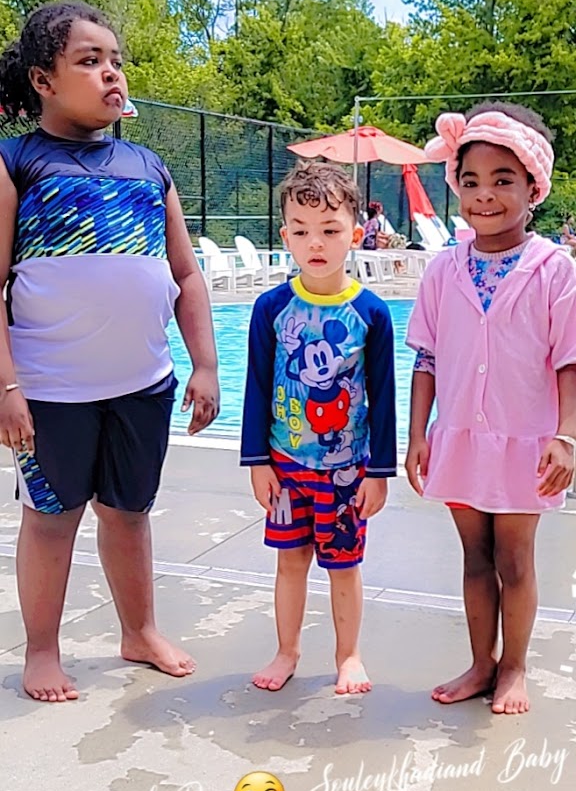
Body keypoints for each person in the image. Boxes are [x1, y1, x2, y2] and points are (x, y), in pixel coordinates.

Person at [0, 0, 220, 702]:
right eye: (89, 61)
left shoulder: (148, 166)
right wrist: (6, 388)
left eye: (116, 61)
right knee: (52, 519)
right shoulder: (17, 161)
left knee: (129, 512)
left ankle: (140, 630)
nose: (111, 73)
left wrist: (205, 364)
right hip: (51, 389)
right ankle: (42, 650)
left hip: (141, 382)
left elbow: (186, 274)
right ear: (43, 79)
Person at [405, 101, 576, 716]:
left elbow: (570, 361)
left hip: (525, 443)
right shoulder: (442, 270)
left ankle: (515, 667)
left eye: (503, 180)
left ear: (534, 189)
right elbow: (426, 358)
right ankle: (481, 662)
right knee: (475, 558)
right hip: (458, 438)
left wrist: (567, 436)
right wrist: (417, 434)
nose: (485, 195)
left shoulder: (555, 271)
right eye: (471, 180)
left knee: (514, 559)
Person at [240, 161, 396, 694]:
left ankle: (348, 655)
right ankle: (286, 651)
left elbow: (383, 397)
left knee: (343, 566)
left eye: (330, 231)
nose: (316, 243)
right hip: (285, 466)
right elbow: (257, 387)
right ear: (285, 236)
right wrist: (257, 462)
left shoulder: (371, 313)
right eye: (302, 231)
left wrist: (379, 472)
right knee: (290, 563)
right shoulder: (271, 308)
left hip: (346, 470)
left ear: (355, 234)